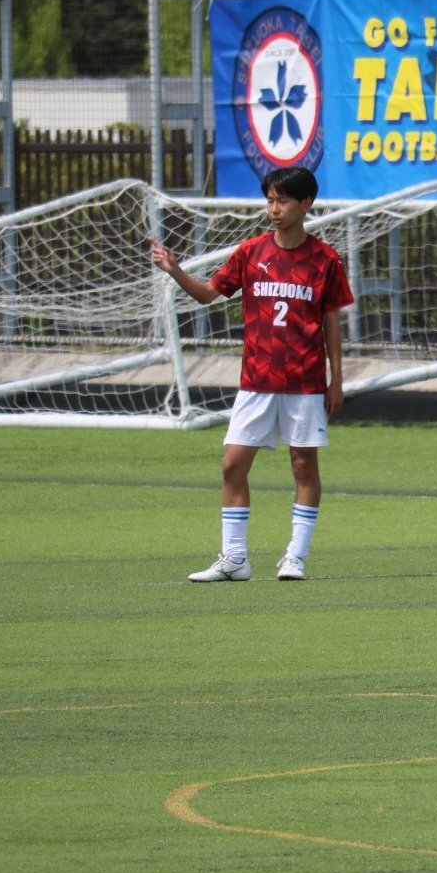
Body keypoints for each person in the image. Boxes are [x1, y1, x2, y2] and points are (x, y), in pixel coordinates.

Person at [150, 164, 354, 584]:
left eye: (283, 201)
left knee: (304, 467)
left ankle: (295, 558)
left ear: (306, 204)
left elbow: (332, 322)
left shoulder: (325, 260)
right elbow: (208, 294)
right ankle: (235, 559)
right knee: (232, 465)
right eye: (270, 200)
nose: (274, 209)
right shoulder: (251, 252)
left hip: (304, 383)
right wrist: (175, 270)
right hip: (256, 382)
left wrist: (336, 380)